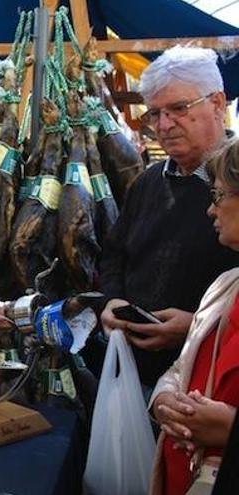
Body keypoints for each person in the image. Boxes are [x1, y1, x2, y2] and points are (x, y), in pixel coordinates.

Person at [99, 46, 239, 388]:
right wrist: (112, 301)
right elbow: (114, 254)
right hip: (132, 375)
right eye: (154, 113)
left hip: (208, 385)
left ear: (218, 103)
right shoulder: (147, 182)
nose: (164, 125)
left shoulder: (238, 185)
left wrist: (197, 325)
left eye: (178, 108)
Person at [148, 139, 239, 495]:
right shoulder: (226, 286)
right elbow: (180, 369)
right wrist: (164, 402)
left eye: (218, 196)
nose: (210, 211)